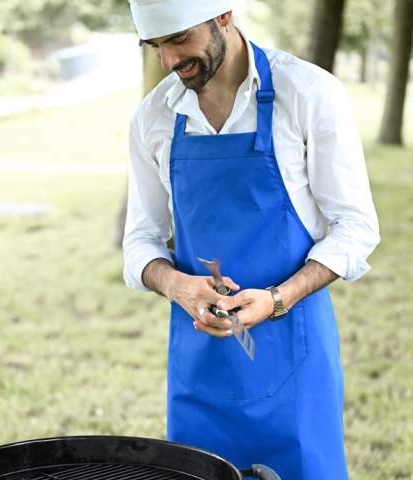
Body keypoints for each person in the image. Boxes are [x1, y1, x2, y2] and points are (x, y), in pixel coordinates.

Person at [122, 1, 380, 479]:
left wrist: (278, 299)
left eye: (178, 38)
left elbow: (356, 226)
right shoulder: (153, 117)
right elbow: (141, 239)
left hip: (295, 359)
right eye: (155, 46)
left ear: (224, 15)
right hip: (199, 363)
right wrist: (178, 286)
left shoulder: (308, 93)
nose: (169, 61)